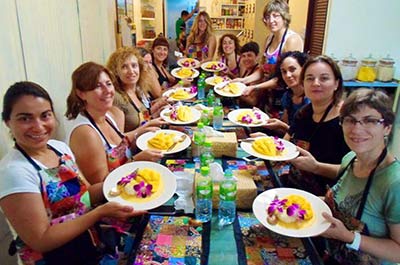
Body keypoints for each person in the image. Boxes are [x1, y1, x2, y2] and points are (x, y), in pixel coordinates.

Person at [0, 81, 142, 265]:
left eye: (45, 115)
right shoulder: (14, 171)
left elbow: (84, 196)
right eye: (25, 118)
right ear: (7, 122)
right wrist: (99, 213)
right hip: (57, 258)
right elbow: (41, 239)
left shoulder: (59, 148)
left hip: (88, 244)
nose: (38, 126)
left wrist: (127, 181)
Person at [298, 89, 400, 264]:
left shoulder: (394, 183)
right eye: (350, 120)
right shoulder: (351, 158)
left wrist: (350, 237)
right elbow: (343, 194)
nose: (357, 129)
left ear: (387, 128)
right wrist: (306, 200)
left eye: (370, 121)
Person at [65, 62, 163, 185]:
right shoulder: (86, 133)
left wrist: (143, 131)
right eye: (98, 86)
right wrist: (137, 159)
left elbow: (121, 148)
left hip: (131, 183)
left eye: (108, 84)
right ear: (81, 94)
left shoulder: (107, 116)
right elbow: (102, 185)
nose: (107, 91)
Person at [282, 55, 350, 196]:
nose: (316, 83)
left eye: (324, 78)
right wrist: (267, 143)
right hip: (294, 188)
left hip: (324, 199)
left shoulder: (348, 120)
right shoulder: (303, 113)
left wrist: (317, 167)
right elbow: (286, 143)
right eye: (310, 78)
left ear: (336, 83)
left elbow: (353, 173)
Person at [235, 0, 303, 112]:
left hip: (285, 96)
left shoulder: (292, 40)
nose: (271, 20)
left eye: (275, 16)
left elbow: (284, 78)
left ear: (284, 17)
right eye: (267, 17)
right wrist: (243, 80)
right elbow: (263, 69)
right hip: (268, 93)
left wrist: (254, 87)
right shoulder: (269, 39)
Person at [107, 47, 169, 132]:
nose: (131, 71)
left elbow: (142, 120)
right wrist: (147, 126)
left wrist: (159, 111)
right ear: (116, 72)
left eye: (134, 65)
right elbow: (119, 141)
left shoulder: (137, 90)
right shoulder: (116, 98)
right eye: (124, 67)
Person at [263, 51, 310, 133]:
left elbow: (305, 137)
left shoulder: (310, 100)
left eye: (292, 70)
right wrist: (262, 118)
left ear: (304, 69)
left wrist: (282, 126)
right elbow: (283, 127)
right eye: (284, 72)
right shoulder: (287, 96)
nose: (288, 75)